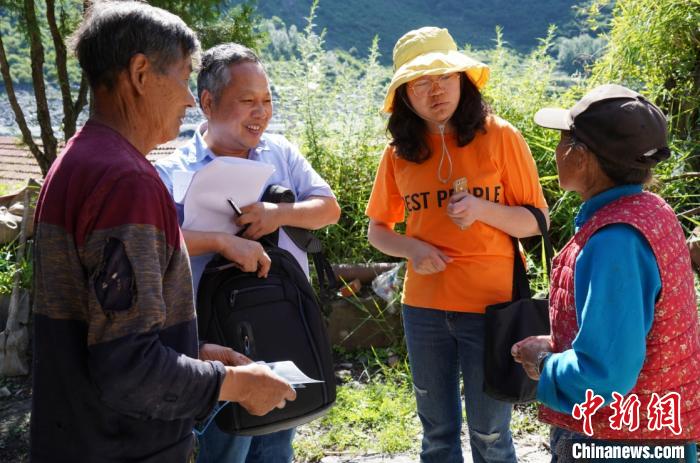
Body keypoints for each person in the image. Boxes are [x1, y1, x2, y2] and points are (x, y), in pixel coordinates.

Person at [30, 4, 296, 462]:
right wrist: (236, 385)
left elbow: (103, 329)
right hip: (123, 445)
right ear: (140, 73)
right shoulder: (127, 181)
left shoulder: (75, 161)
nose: (191, 100)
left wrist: (192, 351)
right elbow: (129, 369)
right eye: (183, 75)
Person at [365, 27, 549, 463]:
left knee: (489, 434)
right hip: (424, 310)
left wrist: (483, 211)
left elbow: (536, 221)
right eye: (420, 83)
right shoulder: (399, 154)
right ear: (404, 96)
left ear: (463, 80)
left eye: (444, 77)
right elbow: (378, 230)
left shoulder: (500, 136)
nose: (435, 90)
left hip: (492, 308)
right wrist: (412, 250)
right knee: (437, 434)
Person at [155, 42, 341, 463]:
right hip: (217, 333)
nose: (261, 112)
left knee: (278, 438)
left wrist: (277, 213)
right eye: (247, 101)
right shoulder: (172, 169)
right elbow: (161, 244)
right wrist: (222, 241)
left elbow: (328, 209)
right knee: (227, 445)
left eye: (267, 101)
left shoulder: (280, 151)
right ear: (207, 102)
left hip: (282, 318)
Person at [512, 84, 700, 462]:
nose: (556, 151)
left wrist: (544, 363)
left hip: (614, 442)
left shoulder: (615, 240)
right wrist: (565, 342)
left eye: (564, 139)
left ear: (581, 157)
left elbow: (605, 376)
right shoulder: (652, 211)